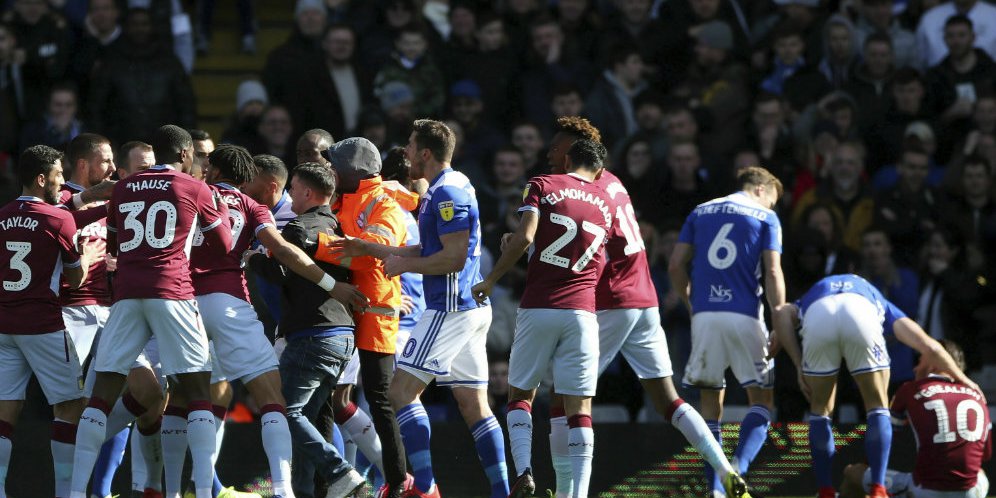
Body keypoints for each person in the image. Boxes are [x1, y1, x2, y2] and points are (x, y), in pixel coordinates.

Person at [542, 116, 751, 498]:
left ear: (573, 151)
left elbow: (588, 253)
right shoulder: (615, 182)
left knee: (564, 396)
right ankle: (725, 469)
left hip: (613, 301)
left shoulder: (584, 191)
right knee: (668, 399)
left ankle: (570, 492)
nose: (550, 154)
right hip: (645, 298)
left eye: (556, 147)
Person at [334, 120, 509, 498]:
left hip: (449, 309)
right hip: (468, 310)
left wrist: (403, 265)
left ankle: (425, 488)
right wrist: (375, 250)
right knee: (474, 405)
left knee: (399, 394)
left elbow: (454, 258)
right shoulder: (448, 187)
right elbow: (429, 249)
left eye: (411, 147)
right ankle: (503, 491)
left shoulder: (446, 194)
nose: (406, 154)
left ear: (426, 153)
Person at [69, 125, 232, 498]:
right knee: (196, 392)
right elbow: (223, 246)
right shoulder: (195, 187)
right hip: (174, 292)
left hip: (126, 295)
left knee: (102, 394)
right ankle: (204, 491)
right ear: (186, 154)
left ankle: (77, 492)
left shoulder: (124, 187)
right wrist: (218, 212)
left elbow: (114, 243)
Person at [472, 138, 612, 498]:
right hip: (582, 311)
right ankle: (576, 493)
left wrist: (491, 279)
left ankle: (524, 471)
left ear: (567, 159)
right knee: (577, 406)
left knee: (521, 393)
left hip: (539, 305)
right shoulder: (605, 203)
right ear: (597, 171)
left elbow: (527, 237)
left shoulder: (542, 185)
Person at [773, 275, 982, 498]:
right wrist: (965, 380)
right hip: (861, 314)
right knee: (877, 406)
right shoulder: (877, 299)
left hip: (819, 315)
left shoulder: (810, 296)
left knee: (821, 411)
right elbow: (930, 347)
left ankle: (824, 490)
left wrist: (797, 363)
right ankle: (878, 489)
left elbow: (780, 313)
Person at [247, 163, 368, 498]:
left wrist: (250, 256)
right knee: (306, 423)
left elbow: (279, 272)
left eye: (293, 189)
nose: (290, 196)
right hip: (343, 335)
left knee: (284, 412)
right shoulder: (341, 227)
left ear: (305, 192)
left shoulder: (298, 229)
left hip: (312, 334)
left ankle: (340, 471)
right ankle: (305, 492)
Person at [668, 166, 786, 496]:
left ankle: (715, 489)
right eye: (772, 201)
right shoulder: (765, 217)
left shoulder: (700, 211)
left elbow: (676, 264)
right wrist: (779, 319)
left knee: (710, 407)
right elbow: (773, 271)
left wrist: (691, 302)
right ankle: (738, 469)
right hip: (746, 314)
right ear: (761, 190)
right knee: (762, 401)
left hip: (705, 315)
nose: (771, 208)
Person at [312, 137, 416, 498]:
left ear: (354, 170)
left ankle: (400, 483)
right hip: (339, 308)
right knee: (329, 397)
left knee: (380, 401)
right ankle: (332, 485)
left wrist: (313, 247)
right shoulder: (343, 195)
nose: (330, 169)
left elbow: (368, 256)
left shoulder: (385, 205)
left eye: (335, 164)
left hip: (373, 312)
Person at [0, 145, 94, 498]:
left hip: (5, 324)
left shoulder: (1, 215)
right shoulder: (59, 219)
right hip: (43, 325)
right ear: (42, 179)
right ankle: (68, 493)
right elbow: (74, 280)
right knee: (69, 405)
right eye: (57, 174)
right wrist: (87, 255)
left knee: (4, 411)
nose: (61, 180)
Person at [840, 340, 990, 498]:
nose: (915, 368)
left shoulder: (910, 389)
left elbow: (883, 441)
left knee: (852, 473)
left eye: (919, 361)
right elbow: (985, 455)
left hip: (925, 491)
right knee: (980, 473)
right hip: (970, 492)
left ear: (934, 365)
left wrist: (865, 467)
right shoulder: (978, 395)